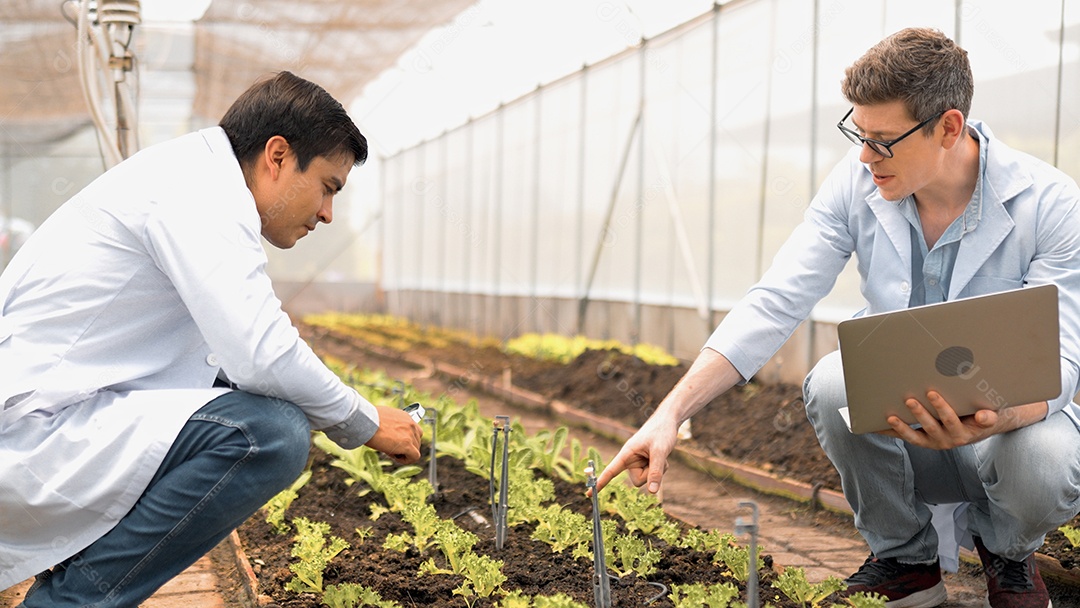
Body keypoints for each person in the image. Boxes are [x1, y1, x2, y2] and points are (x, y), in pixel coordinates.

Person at [594, 28, 1080, 608]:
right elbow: (777, 298)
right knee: (832, 381)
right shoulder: (857, 182)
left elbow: (1061, 360)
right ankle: (905, 562)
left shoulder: (1049, 204)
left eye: (884, 141)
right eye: (858, 133)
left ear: (949, 128)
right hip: (908, 429)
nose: (865, 156)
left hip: (1002, 434)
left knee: (1044, 457)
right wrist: (669, 414)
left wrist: (997, 419)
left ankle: (1010, 555)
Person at [0, 71, 423, 606]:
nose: (326, 213)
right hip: (31, 431)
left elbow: (240, 354)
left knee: (244, 402)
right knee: (268, 434)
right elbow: (262, 352)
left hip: (56, 421)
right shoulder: (198, 193)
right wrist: (364, 420)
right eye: (327, 187)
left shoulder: (194, 177)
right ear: (277, 156)